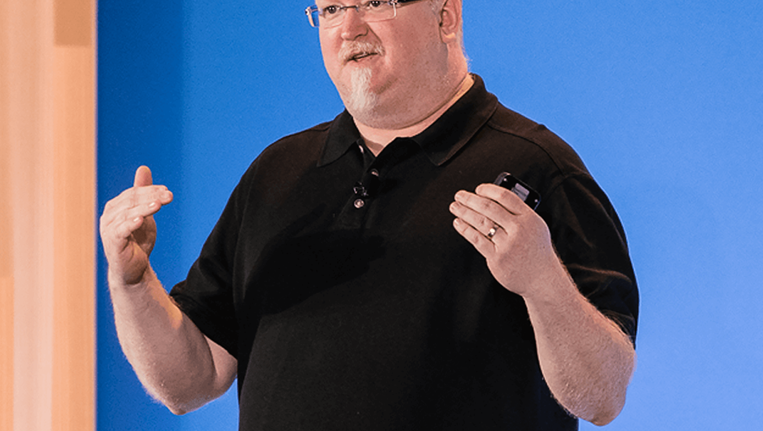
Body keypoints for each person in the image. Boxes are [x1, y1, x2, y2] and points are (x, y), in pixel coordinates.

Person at [99, 0, 638, 429]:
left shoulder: (539, 169)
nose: (349, 28)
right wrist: (133, 283)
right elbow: (190, 382)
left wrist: (544, 283)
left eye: (376, 2)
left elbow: (603, 396)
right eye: (331, 9)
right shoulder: (276, 174)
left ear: (446, 16)